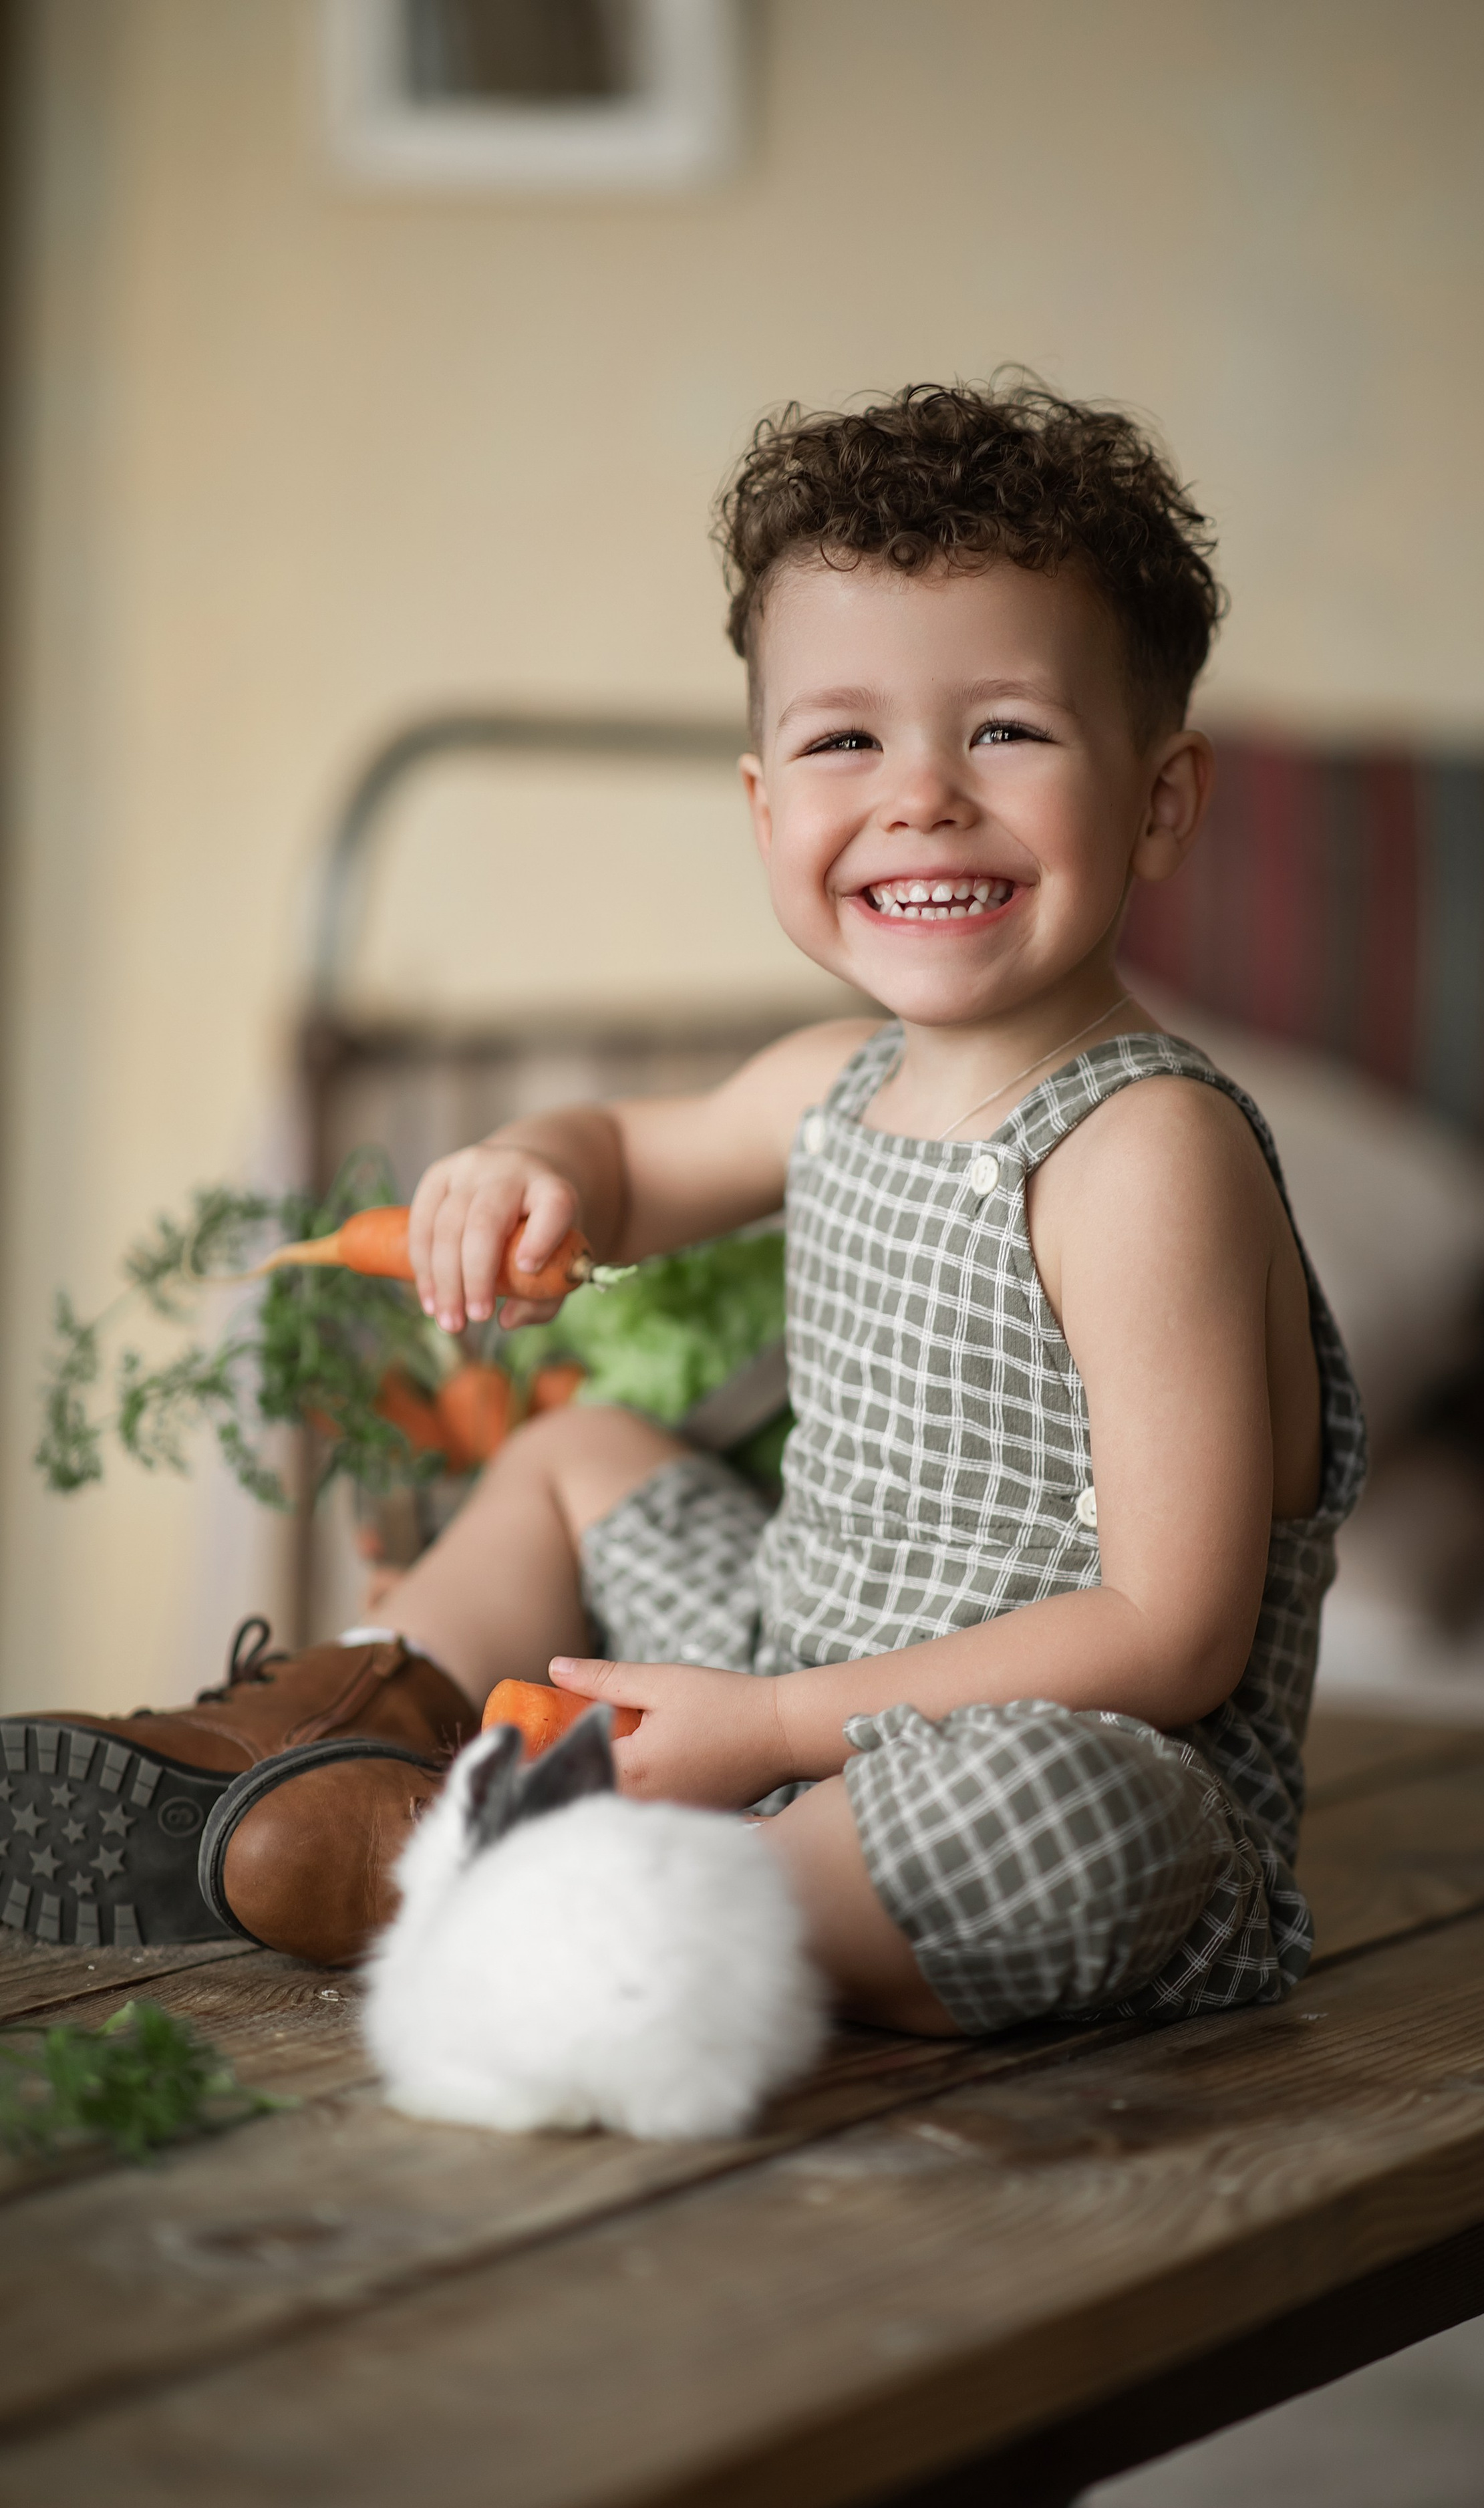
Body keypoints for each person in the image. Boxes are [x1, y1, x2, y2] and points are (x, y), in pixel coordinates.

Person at [11, 382, 1364, 2039]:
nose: (921, 794)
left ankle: (503, 1882)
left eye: (1004, 729)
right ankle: (314, 1750)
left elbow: (1167, 1637)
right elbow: (631, 1161)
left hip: (1039, 1756)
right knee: (577, 1463)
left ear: (1160, 798)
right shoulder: (832, 1079)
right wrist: (534, 1168)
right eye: (843, 738)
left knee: (1078, 1820)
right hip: (776, 1675)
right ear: (760, 807)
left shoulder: (1144, 1152)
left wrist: (783, 1728)